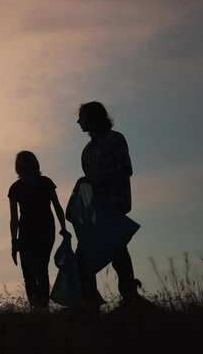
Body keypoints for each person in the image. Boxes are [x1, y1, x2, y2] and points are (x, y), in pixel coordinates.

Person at [76, 101, 141, 309]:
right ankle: (89, 301)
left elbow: (125, 169)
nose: (78, 121)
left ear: (93, 117)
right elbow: (90, 181)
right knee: (84, 256)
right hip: (96, 211)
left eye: (82, 117)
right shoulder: (86, 151)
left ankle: (129, 298)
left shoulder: (115, 139)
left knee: (117, 252)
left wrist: (98, 179)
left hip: (114, 205)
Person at [8, 151, 70, 310]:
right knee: (29, 270)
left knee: (41, 268)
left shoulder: (46, 183)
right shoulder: (15, 188)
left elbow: (57, 206)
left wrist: (64, 228)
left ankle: (41, 306)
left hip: (44, 230)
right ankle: (35, 306)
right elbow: (13, 217)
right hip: (27, 232)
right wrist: (14, 240)